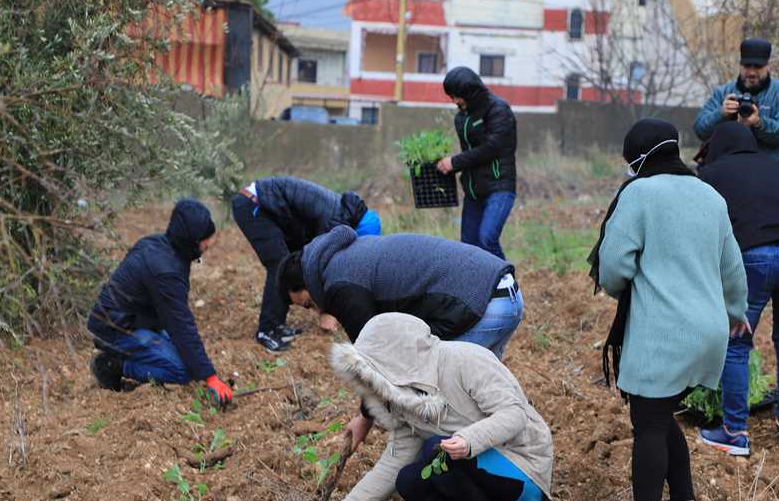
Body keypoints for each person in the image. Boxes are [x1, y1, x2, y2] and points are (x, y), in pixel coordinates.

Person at [590, 118, 749, 501]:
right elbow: (732, 268)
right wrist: (737, 313)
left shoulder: (639, 194)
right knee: (663, 417)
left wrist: (627, 285)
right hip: (708, 330)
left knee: (648, 426)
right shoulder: (710, 196)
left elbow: (614, 267)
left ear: (638, 158)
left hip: (663, 331)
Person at [312, 313, 553, 501]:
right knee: (407, 481)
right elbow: (391, 465)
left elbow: (514, 414)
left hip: (522, 467)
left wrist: (468, 440)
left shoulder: (466, 360)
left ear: (395, 361)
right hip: (480, 470)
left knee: (435, 450)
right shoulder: (406, 402)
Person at [278, 225, 524, 451]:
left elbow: (375, 363)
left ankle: (471, 477)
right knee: (485, 390)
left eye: (309, 303)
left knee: (447, 399)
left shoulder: (341, 286)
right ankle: (510, 456)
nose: (318, 311)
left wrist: (364, 417)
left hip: (480, 303)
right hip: (504, 293)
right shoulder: (342, 259)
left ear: (308, 281)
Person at [697, 122, 779, 456]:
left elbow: (704, 228)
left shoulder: (711, 175)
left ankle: (735, 432)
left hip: (753, 255)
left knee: (736, 343)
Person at [87, 198, 234, 407]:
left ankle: (122, 352)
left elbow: (175, 320)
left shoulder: (156, 244)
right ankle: (113, 365)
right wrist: (210, 378)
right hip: (115, 326)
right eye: (206, 239)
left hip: (128, 319)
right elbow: (181, 324)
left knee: (187, 356)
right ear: (192, 240)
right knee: (182, 371)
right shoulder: (166, 271)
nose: (210, 243)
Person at [232, 175, 380, 353]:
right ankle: (267, 331)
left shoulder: (341, 216)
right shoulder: (333, 222)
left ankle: (277, 325)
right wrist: (328, 311)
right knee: (280, 265)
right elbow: (321, 270)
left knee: (289, 263)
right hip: (254, 205)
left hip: (268, 209)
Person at [436, 66, 517, 260]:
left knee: (487, 239)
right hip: (473, 191)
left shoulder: (498, 109)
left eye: (457, 96)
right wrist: (446, 166)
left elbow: (492, 148)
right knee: (468, 247)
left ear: (470, 92)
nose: (455, 101)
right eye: (452, 96)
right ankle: (476, 290)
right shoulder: (461, 118)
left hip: (499, 187)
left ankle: (507, 287)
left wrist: (454, 162)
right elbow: (469, 153)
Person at [694, 38, 779, 164]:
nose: (752, 72)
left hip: (769, 172)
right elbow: (700, 129)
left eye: (758, 67)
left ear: (768, 66)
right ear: (740, 65)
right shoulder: (723, 92)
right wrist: (721, 114)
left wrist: (759, 123)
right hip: (728, 170)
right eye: (747, 66)